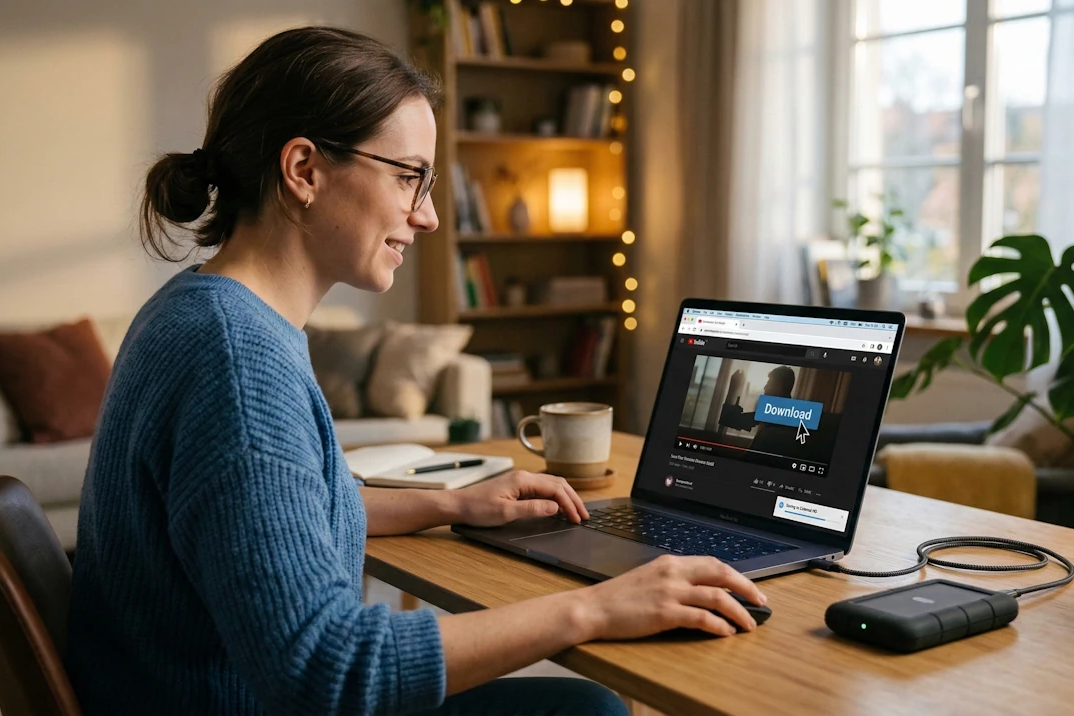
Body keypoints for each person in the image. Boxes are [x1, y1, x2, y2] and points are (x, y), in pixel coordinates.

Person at [64, 27, 768, 716]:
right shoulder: (236, 362)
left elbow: (275, 515)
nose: (427, 216)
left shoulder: (201, 310)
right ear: (304, 170)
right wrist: (594, 608)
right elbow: (326, 671)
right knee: (586, 709)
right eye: (409, 177)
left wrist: (453, 504)